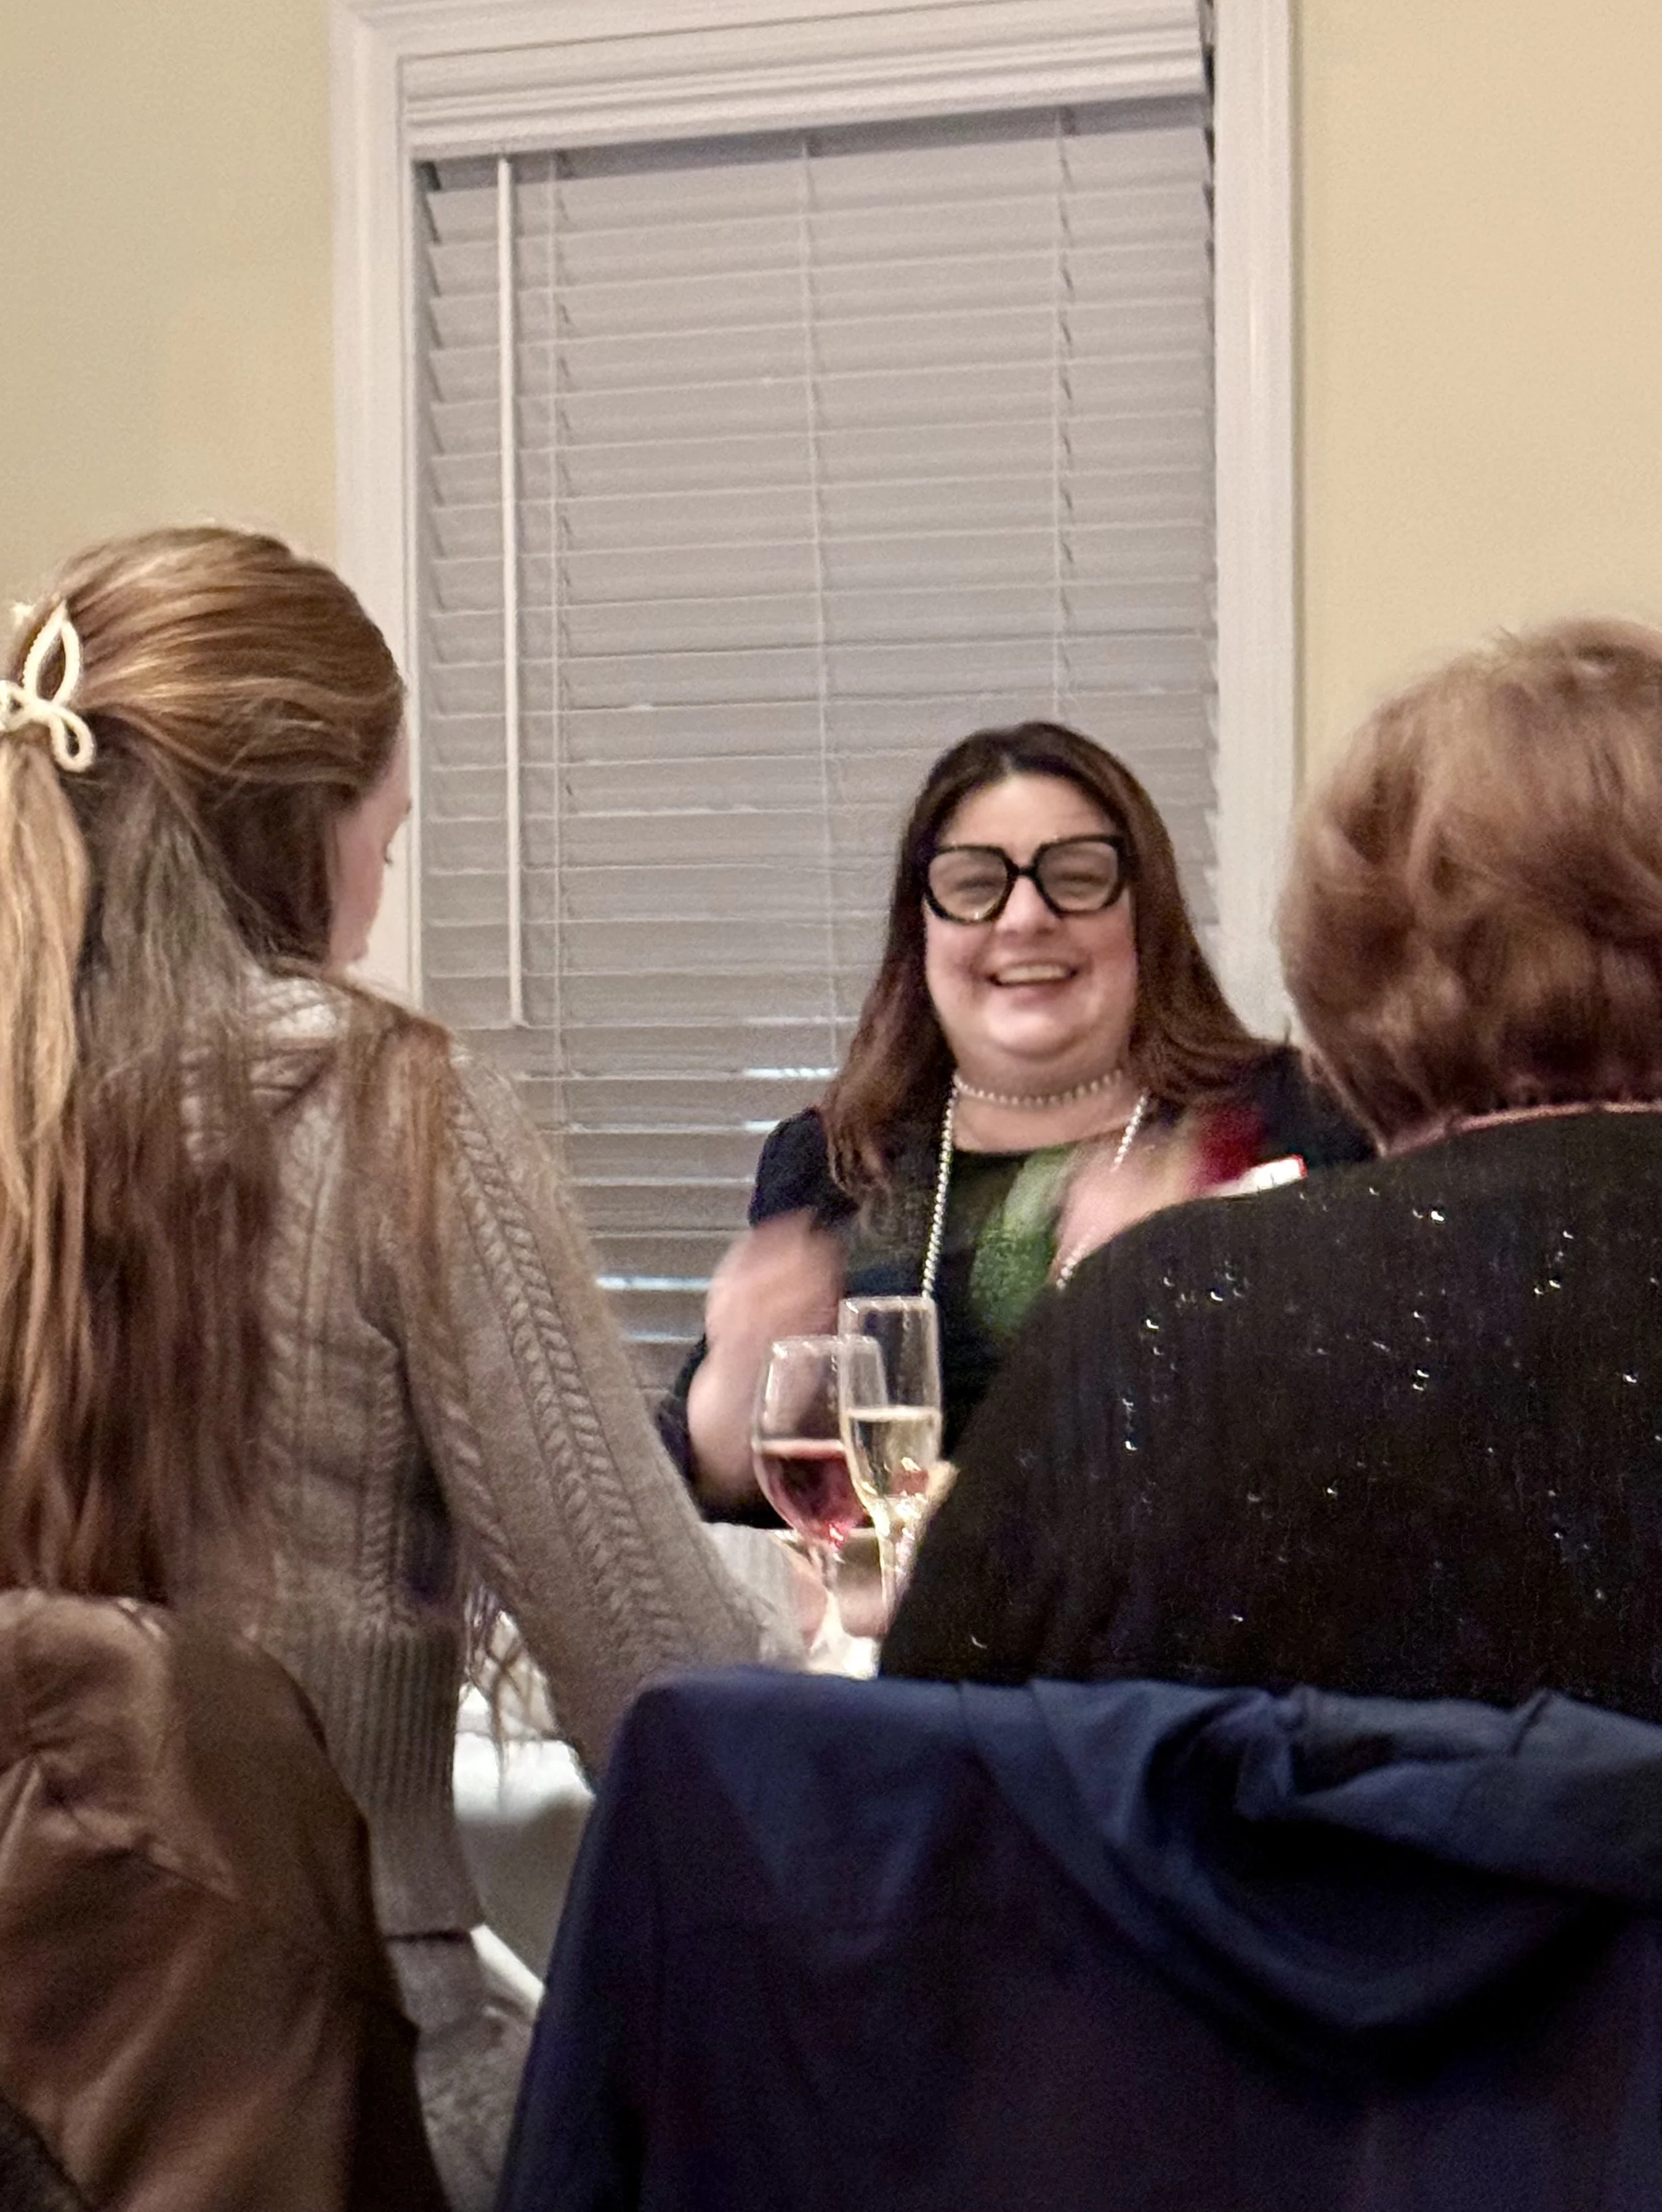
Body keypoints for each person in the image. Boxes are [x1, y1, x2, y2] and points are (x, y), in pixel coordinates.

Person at [0, 528, 794, 2209]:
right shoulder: (392, 1115)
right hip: (327, 2101)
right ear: (309, 827)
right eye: (389, 832)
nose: (378, 887)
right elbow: (669, 1704)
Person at [882, 617, 1662, 1719]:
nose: (1025, 917)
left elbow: (929, 1766)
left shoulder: (1156, 1315)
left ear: (1348, 962)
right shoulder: (1146, 1300)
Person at [661, 720, 1370, 1511]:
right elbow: (709, 1494)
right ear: (920, 929)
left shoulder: (1297, 1120)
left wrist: (1192, 1300)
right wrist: (738, 1388)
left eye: (1076, 877)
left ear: (1145, 915)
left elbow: (1371, 1442)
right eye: (974, 886)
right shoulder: (828, 1162)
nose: (1025, 916)